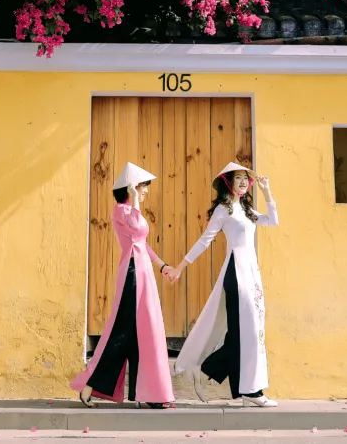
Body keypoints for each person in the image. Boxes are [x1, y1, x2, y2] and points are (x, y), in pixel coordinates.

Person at [166, 162, 279, 407]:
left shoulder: (247, 209)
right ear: (228, 182)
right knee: (246, 331)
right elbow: (204, 241)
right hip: (235, 272)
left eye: (245, 178)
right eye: (237, 178)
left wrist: (266, 192)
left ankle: (221, 378)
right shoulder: (223, 210)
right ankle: (251, 391)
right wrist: (180, 267)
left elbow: (272, 221)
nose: (243, 182)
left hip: (251, 273)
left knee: (248, 331)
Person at [70, 162, 176, 409]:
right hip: (132, 274)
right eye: (142, 187)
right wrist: (135, 199)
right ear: (131, 187)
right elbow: (138, 227)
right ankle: (90, 385)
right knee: (122, 332)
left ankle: (148, 393)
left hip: (143, 274)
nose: (146, 191)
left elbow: (143, 243)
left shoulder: (130, 211)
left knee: (142, 333)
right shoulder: (121, 210)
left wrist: (163, 266)